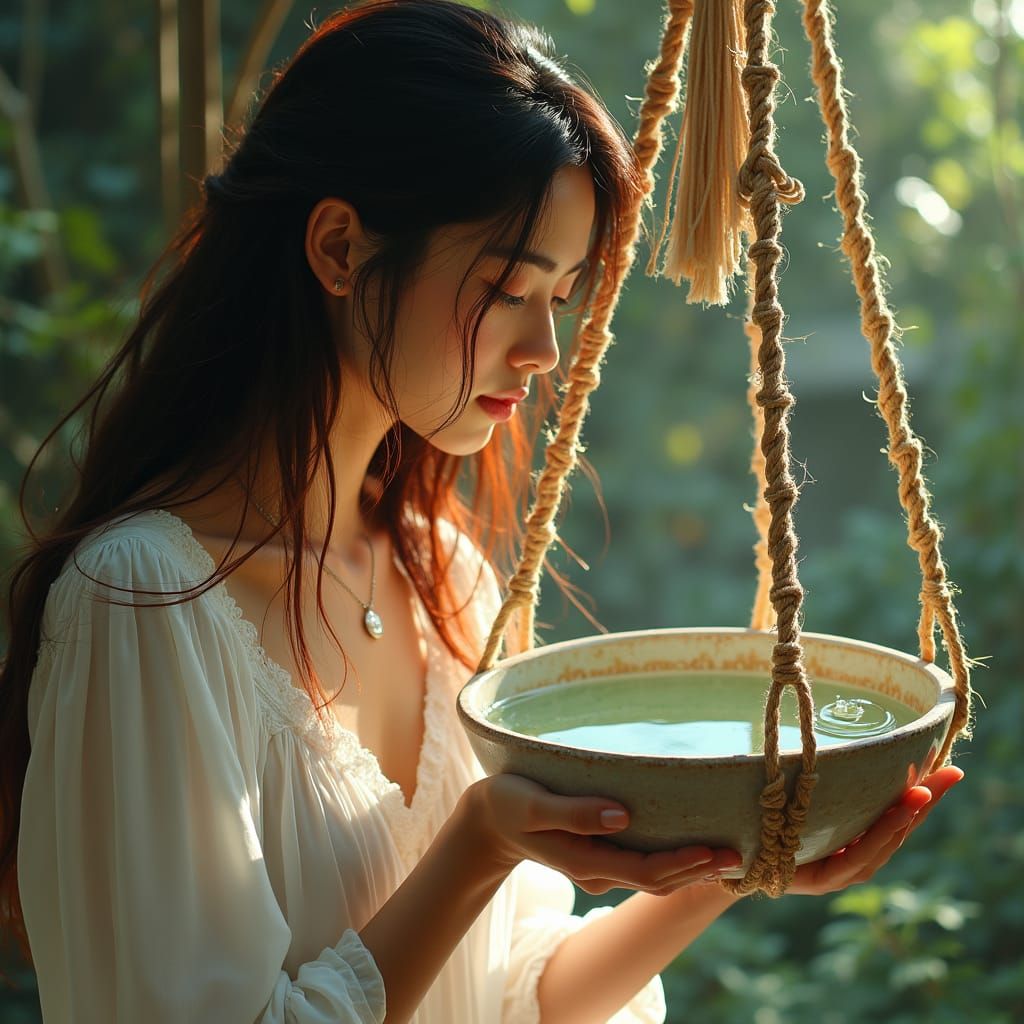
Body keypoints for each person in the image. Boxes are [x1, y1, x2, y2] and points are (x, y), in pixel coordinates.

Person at [0, 1, 962, 1021]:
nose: (545, 349)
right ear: (338, 248)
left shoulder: (441, 572)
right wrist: (477, 843)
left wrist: (740, 857)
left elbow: (523, 991)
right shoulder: (146, 597)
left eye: (562, 297)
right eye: (508, 286)